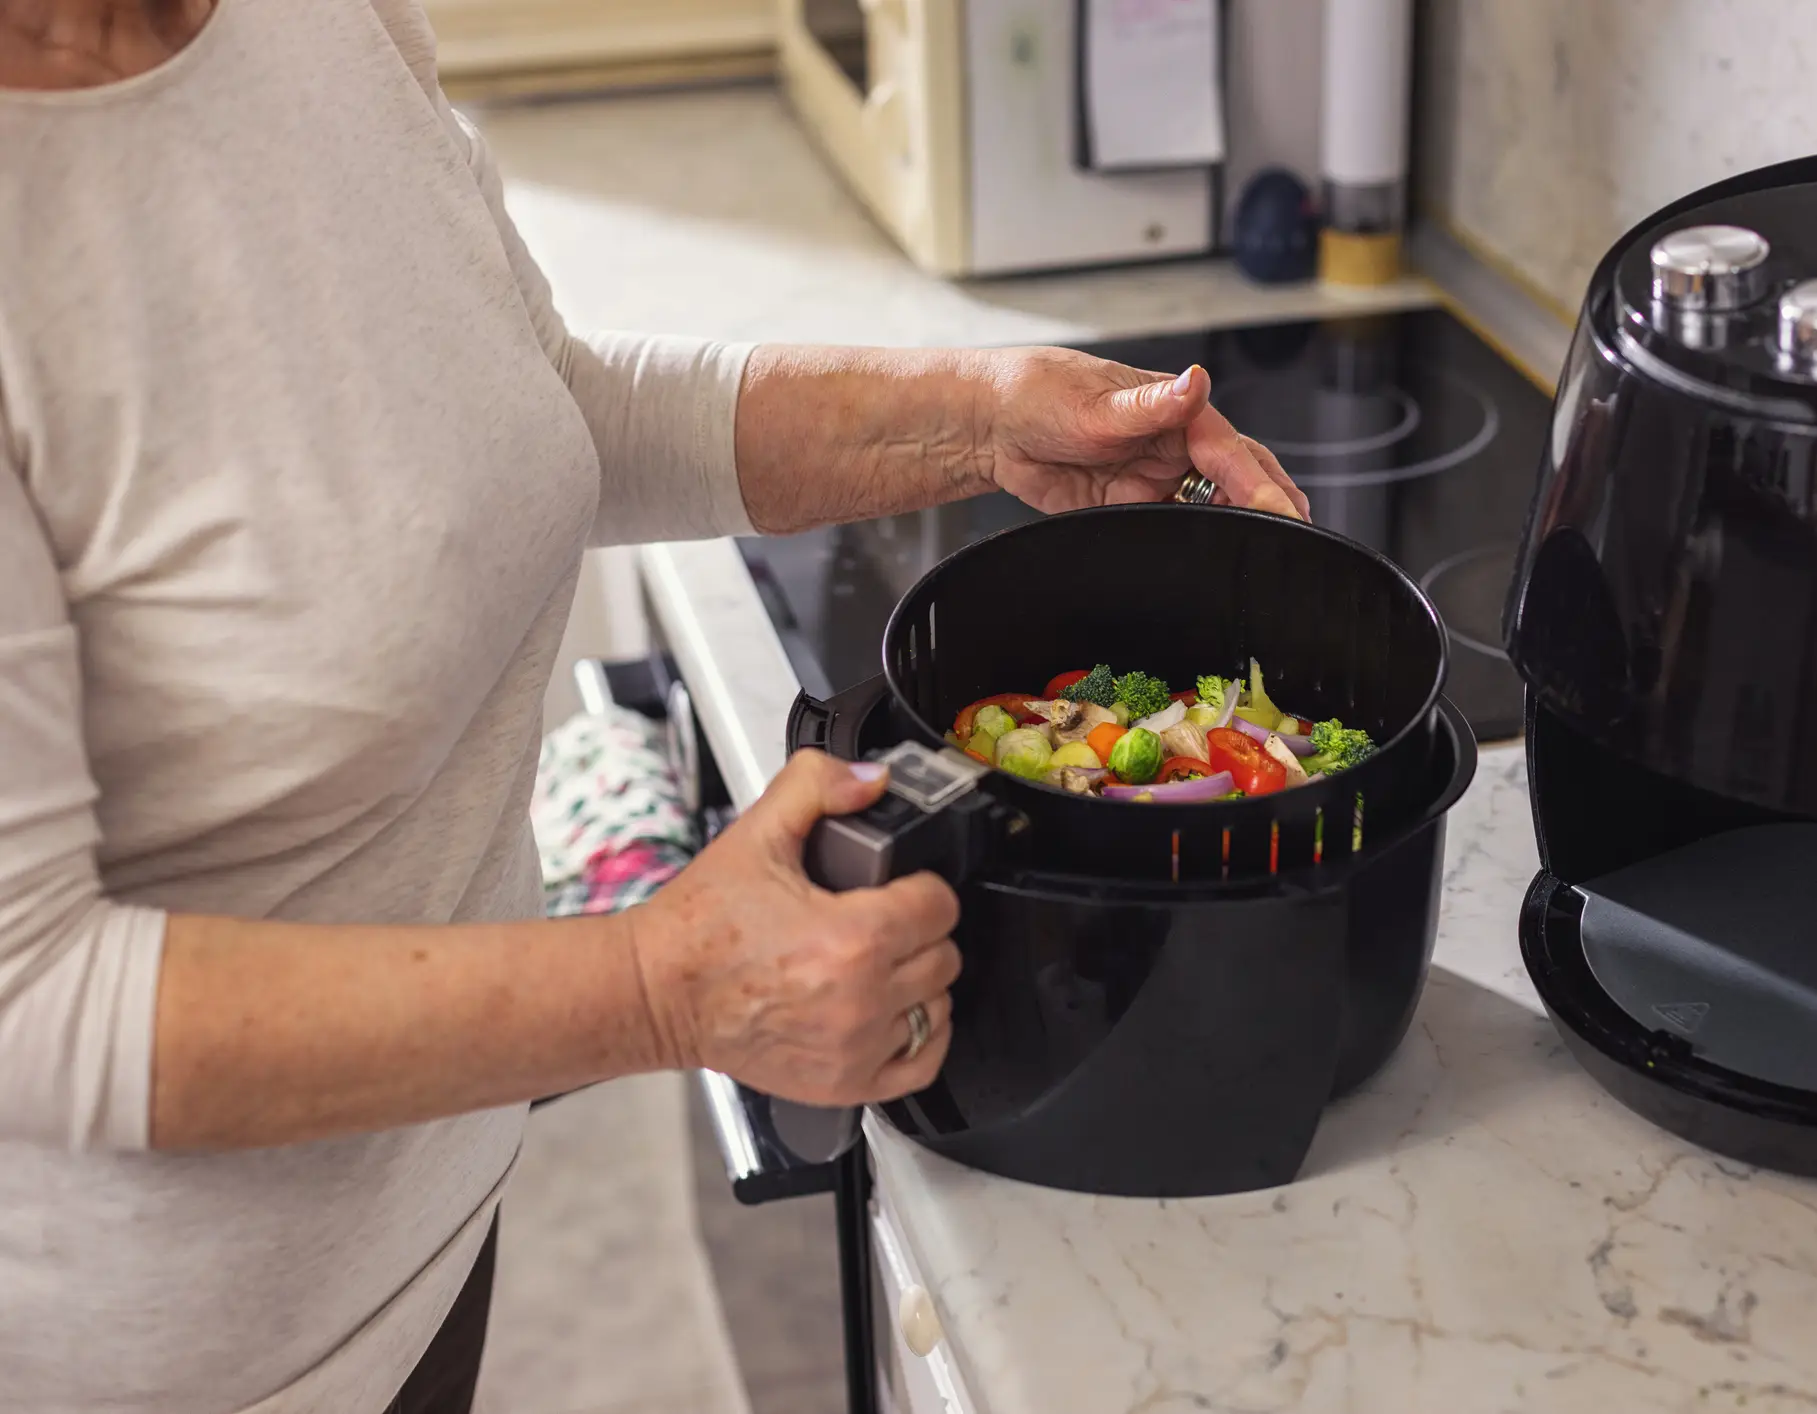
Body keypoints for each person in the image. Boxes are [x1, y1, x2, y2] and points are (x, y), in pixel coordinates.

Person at [0, 2, 1312, 1411]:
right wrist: (660, 986)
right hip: (177, 1360)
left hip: (425, 1229)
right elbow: (30, 996)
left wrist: (981, 415)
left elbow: (533, 401)